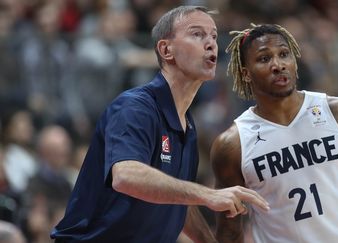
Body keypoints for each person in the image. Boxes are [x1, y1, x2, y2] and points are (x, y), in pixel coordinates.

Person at [50, 6, 269, 243]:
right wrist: (207, 195)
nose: (211, 43)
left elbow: (178, 200)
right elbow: (126, 176)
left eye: (214, 36)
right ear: (166, 50)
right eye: (197, 34)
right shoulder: (135, 107)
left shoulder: (188, 125)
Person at [211, 23, 338, 243]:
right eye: (264, 59)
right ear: (246, 73)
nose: (278, 65)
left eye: (284, 54)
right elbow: (229, 231)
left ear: (295, 62)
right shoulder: (232, 144)